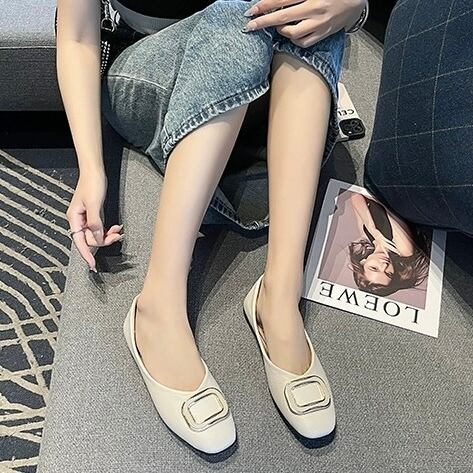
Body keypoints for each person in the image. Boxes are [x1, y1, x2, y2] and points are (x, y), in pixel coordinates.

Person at [56, 0, 368, 454]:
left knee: (304, 8)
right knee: (241, 11)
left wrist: (355, 7)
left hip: (256, 79)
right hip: (148, 70)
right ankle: (158, 308)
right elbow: (77, 36)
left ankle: (280, 294)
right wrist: (92, 168)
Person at [348, 194, 429, 297]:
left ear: (363, 262)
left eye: (374, 268)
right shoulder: (405, 250)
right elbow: (386, 205)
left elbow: (355, 195)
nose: (384, 266)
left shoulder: (366, 234)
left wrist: (372, 228)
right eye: (389, 273)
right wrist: (374, 230)